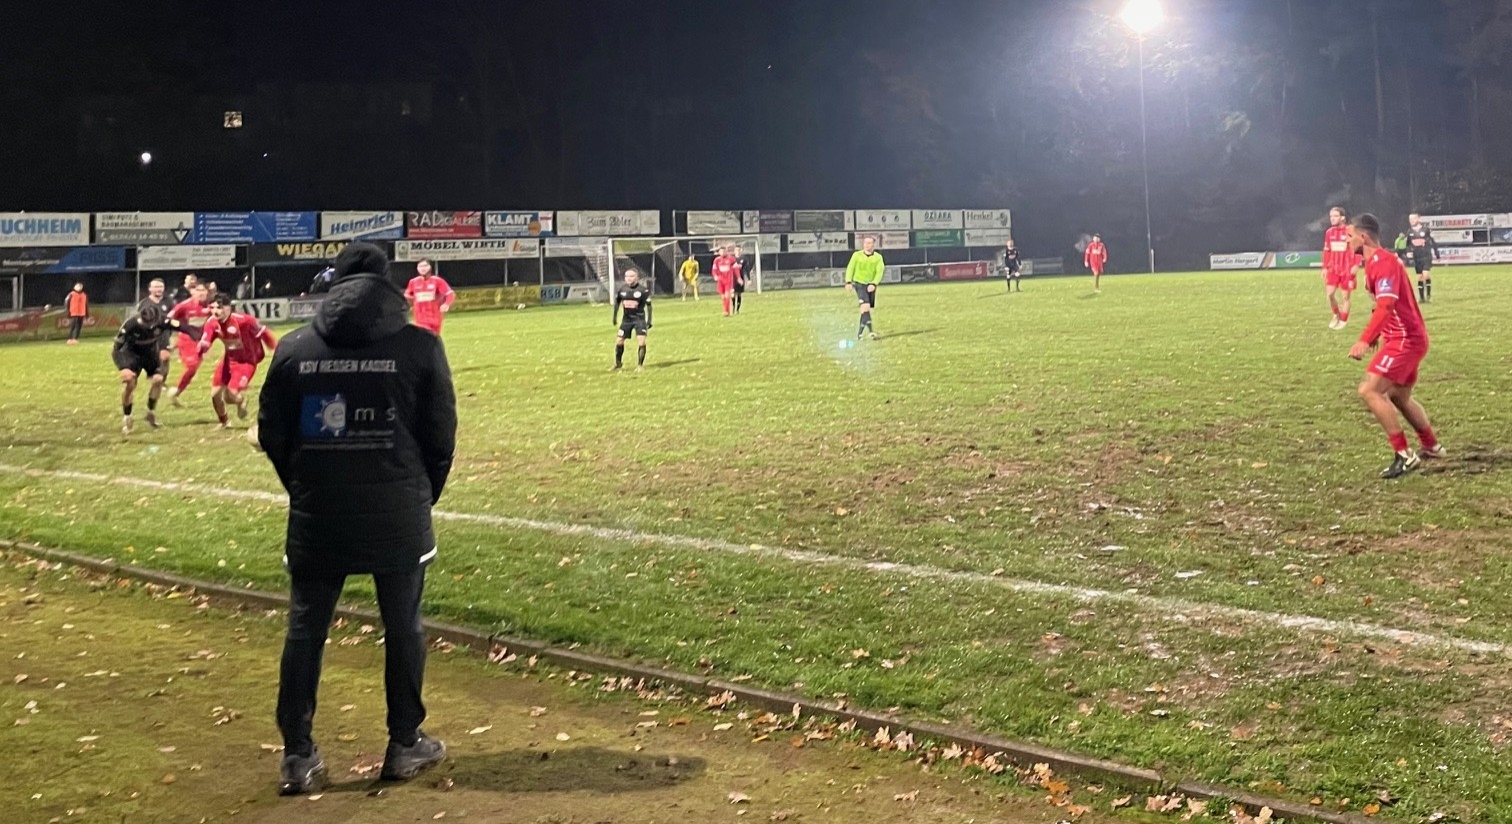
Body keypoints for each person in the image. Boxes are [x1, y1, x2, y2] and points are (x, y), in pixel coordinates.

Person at [257, 242, 456, 796]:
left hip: (319, 512)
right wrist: (421, 494)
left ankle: (298, 755)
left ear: (335, 283)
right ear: (388, 283)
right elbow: (441, 436)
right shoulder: (420, 346)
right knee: (404, 627)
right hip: (397, 512)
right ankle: (404, 742)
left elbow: (273, 433)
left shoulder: (295, 348)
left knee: (305, 628)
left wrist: (304, 484)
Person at [1346, 214, 1442, 479]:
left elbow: (1387, 305)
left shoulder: (1383, 263)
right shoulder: (1376, 264)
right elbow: (1383, 305)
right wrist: (1377, 333)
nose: (1346, 241)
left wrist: (1365, 339)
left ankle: (1404, 454)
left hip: (1404, 340)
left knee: (1369, 390)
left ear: (1362, 237)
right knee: (1399, 396)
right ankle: (1431, 445)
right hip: (1406, 338)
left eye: (1349, 235)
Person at [198, 293, 277, 428]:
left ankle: (240, 402)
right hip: (228, 360)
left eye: (219, 308)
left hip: (246, 362)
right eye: (212, 308)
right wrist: (202, 348)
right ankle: (224, 422)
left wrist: (275, 349)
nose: (215, 311)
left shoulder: (245, 321)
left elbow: (264, 332)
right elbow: (206, 340)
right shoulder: (212, 323)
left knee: (230, 396)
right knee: (215, 394)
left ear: (228, 308)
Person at [112, 302, 184, 435]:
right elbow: (116, 349)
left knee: (158, 380)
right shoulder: (131, 324)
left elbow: (180, 327)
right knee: (130, 382)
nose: (150, 326)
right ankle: (127, 416)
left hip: (150, 355)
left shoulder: (162, 321)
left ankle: (150, 413)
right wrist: (123, 367)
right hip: (131, 355)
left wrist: (198, 333)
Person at [166, 283, 212, 406]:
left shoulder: (211, 306)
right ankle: (175, 391)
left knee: (193, 370)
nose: (201, 293)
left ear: (207, 293)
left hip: (200, 342)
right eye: (198, 290)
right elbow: (167, 319)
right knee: (192, 366)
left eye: (203, 291)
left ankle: (176, 393)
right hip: (186, 341)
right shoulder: (184, 306)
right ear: (193, 292)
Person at [1322, 206, 1360, 330]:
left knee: (1345, 297)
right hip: (1333, 269)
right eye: (1331, 216)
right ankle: (1336, 314)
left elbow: (1358, 249)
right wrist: (1324, 267)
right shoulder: (1329, 232)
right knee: (1330, 294)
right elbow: (1327, 250)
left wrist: (1356, 265)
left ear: (1342, 217)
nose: (1332, 219)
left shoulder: (1351, 230)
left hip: (1347, 270)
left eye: (1335, 216)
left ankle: (1343, 321)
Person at [843, 235, 885, 340]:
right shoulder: (856, 255)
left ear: (874, 244)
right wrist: (848, 281)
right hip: (859, 284)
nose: (867, 245)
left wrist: (874, 284)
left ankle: (863, 334)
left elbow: (880, 272)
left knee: (865, 310)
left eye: (870, 243)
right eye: (865, 243)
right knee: (865, 306)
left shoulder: (878, 258)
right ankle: (866, 333)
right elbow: (850, 268)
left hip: (871, 285)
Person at [137, 278, 176, 385]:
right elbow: (139, 320)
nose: (159, 289)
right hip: (150, 335)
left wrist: (172, 336)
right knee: (157, 357)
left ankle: (161, 380)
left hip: (164, 334)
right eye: (156, 287)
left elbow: (174, 318)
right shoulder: (144, 304)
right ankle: (156, 377)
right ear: (150, 289)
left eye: (161, 287)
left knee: (165, 357)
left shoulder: (168, 302)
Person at [613, 269, 652, 371]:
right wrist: (614, 317)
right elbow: (617, 303)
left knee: (641, 341)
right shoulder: (622, 289)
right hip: (626, 320)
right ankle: (618, 363)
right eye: (626, 276)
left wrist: (649, 321)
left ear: (636, 277)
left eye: (631, 276)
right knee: (619, 341)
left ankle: (640, 365)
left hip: (639, 319)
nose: (628, 278)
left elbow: (649, 306)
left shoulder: (643, 290)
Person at [404, 259, 456, 335]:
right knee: (425, 337)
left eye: (425, 266)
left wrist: (446, 304)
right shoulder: (413, 282)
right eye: (420, 266)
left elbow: (450, 293)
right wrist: (411, 299)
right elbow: (406, 295)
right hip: (421, 318)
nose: (422, 268)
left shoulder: (437, 281)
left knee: (435, 339)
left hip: (435, 317)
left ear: (430, 267)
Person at [1405, 214, 1440, 303]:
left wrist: (1437, 253)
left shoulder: (1426, 230)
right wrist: (1409, 252)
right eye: (1410, 219)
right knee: (1419, 277)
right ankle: (1421, 298)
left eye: (1413, 218)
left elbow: (1433, 242)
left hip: (1426, 255)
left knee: (1425, 274)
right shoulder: (1409, 232)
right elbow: (1408, 244)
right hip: (1417, 257)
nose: (1411, 220)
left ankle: (1428, 295)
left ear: (1419, 219)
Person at [711, 246, 740, 317]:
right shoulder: (716, 260)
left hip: (728, 280)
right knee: (723, 297)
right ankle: (725, 311)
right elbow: (714, 269)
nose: (723, 252)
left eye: (724, 251)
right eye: (721, 251)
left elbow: (736, 269)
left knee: (727, 296)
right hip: (720, 281)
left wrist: (738, 277)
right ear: (719, 252)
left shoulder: (731, 259)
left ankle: (727, 312)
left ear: (726, 251)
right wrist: (715, 276)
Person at [733, 244, 754, 314]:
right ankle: (733, 308)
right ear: (734, 251)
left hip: (741, 279)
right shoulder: (732, 259)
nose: (738, 251)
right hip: (733, 279)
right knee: (733, 294)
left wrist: (748, 279)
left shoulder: (743, 259)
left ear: (741, 251)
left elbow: (746, 269)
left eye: (739, 250)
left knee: (739, 294)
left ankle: (737, 310)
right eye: (736, 250)